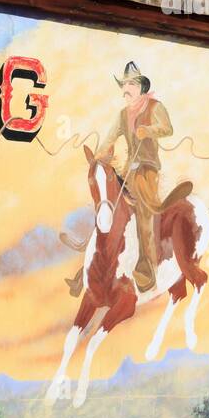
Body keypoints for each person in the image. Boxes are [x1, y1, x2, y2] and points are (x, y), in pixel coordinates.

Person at [65, 62, 174, 295]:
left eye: (131, 84)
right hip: (129, 170)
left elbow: (168, 129)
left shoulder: (154, 107)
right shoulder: (123, 115)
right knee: (108, 205)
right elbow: (110, 139)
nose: (126, 89)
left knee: (144, 211)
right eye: (124, 85)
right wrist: (98, 158)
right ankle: (86, 269)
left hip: (147, 169)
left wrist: (149, 130)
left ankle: (146, 268)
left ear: (141, 86)